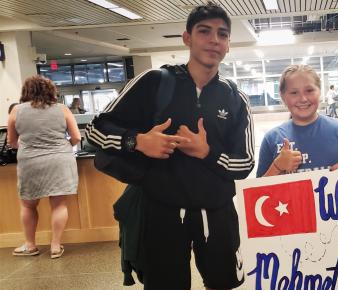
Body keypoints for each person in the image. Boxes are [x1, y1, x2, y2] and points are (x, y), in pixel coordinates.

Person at [85, 3, 254, 289]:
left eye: (222, 35)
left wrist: (206, 152)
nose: (214, 40)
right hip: (160, 211)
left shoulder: (235, 97)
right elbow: (94, 131)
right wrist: (138, 141)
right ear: (187, 38)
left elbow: (245, 163)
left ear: (228, 45)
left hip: (216, 213)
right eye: (204, 31)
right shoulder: (154, 82)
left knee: (224, 283)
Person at [7, 76, 81, 259]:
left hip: (30, 161)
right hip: (60, 160)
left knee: (28, 205)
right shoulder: (62, 109)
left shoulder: (16, 110)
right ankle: (55, 246)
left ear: (26, 91)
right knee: (59, 204)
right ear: (50, 90)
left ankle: (30, 245)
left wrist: (29, 147)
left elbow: (12, 141)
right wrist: (63, 147)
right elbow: (77, 137)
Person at [257, 65, 338, 177]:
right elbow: (256, 193)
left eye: (309, 90)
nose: (303, 99)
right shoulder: (271, 139)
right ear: (283, 97)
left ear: (319, 92)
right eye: (294, 93)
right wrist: (277, 167)